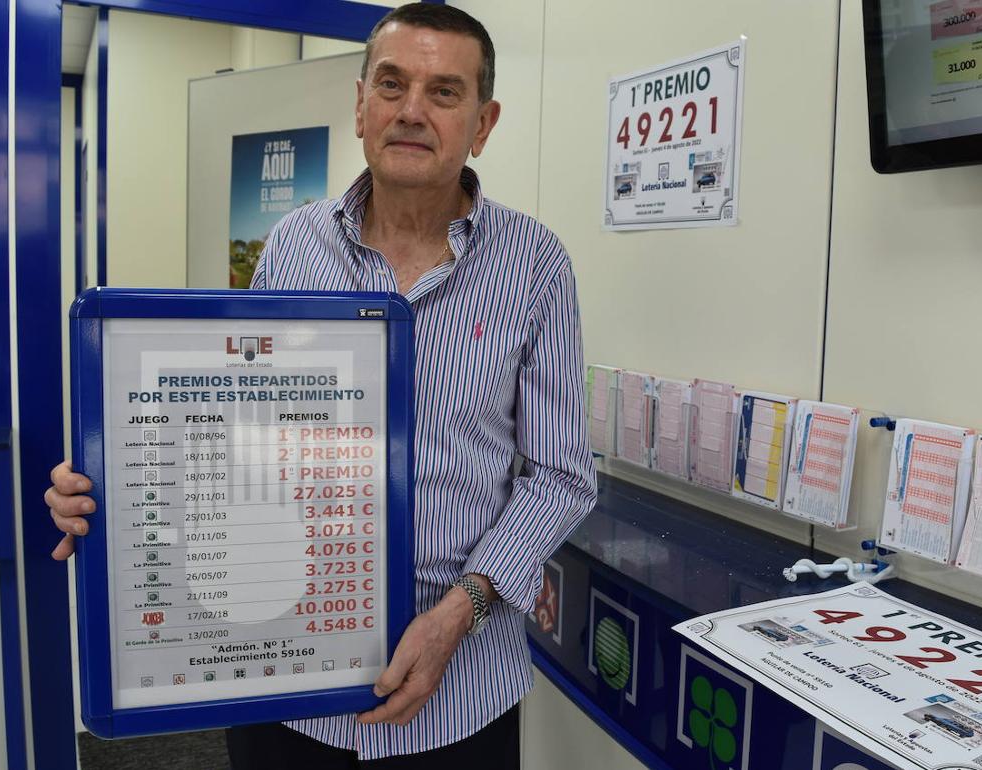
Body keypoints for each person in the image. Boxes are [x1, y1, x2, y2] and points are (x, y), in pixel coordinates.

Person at [44, 4, 597, 767]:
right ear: (360, 102)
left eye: (443, 92)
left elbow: (561, 476)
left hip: (459, 693)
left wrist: (458, 612)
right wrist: (117, 489)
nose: (411, 110)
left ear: (483, 121)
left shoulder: (534, 265)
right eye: (392, 84)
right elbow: (247, 433)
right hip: (286, 680)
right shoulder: (294, 244)